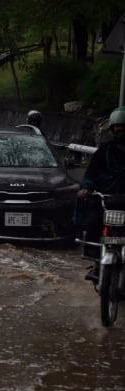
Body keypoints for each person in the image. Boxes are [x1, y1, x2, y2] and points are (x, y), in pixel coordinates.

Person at [76, 106, 125, 282]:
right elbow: (90, 174)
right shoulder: (104, 151)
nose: (120, 130)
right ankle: (96, 262)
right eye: (117, 127)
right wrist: (87, 188)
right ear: (112, 129)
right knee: (93, 223)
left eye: (124, 127)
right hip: (107, 201)